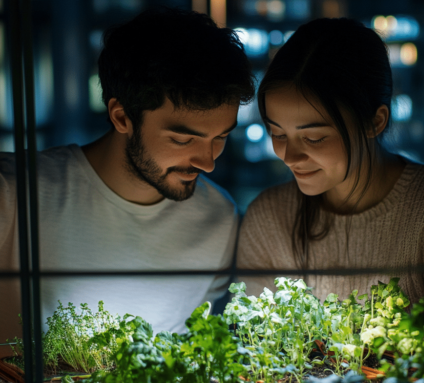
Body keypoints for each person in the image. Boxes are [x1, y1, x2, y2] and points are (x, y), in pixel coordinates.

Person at [0, 6, 254, 354]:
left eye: (220, 138)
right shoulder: (13, 195)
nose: (207, 163)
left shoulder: (219, 217)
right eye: (182, 140)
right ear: (122, 117)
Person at [237, 18, 424, 304]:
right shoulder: (268, 218)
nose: (289, 156)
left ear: (375, 121)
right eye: (277, 133)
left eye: (313, 138)